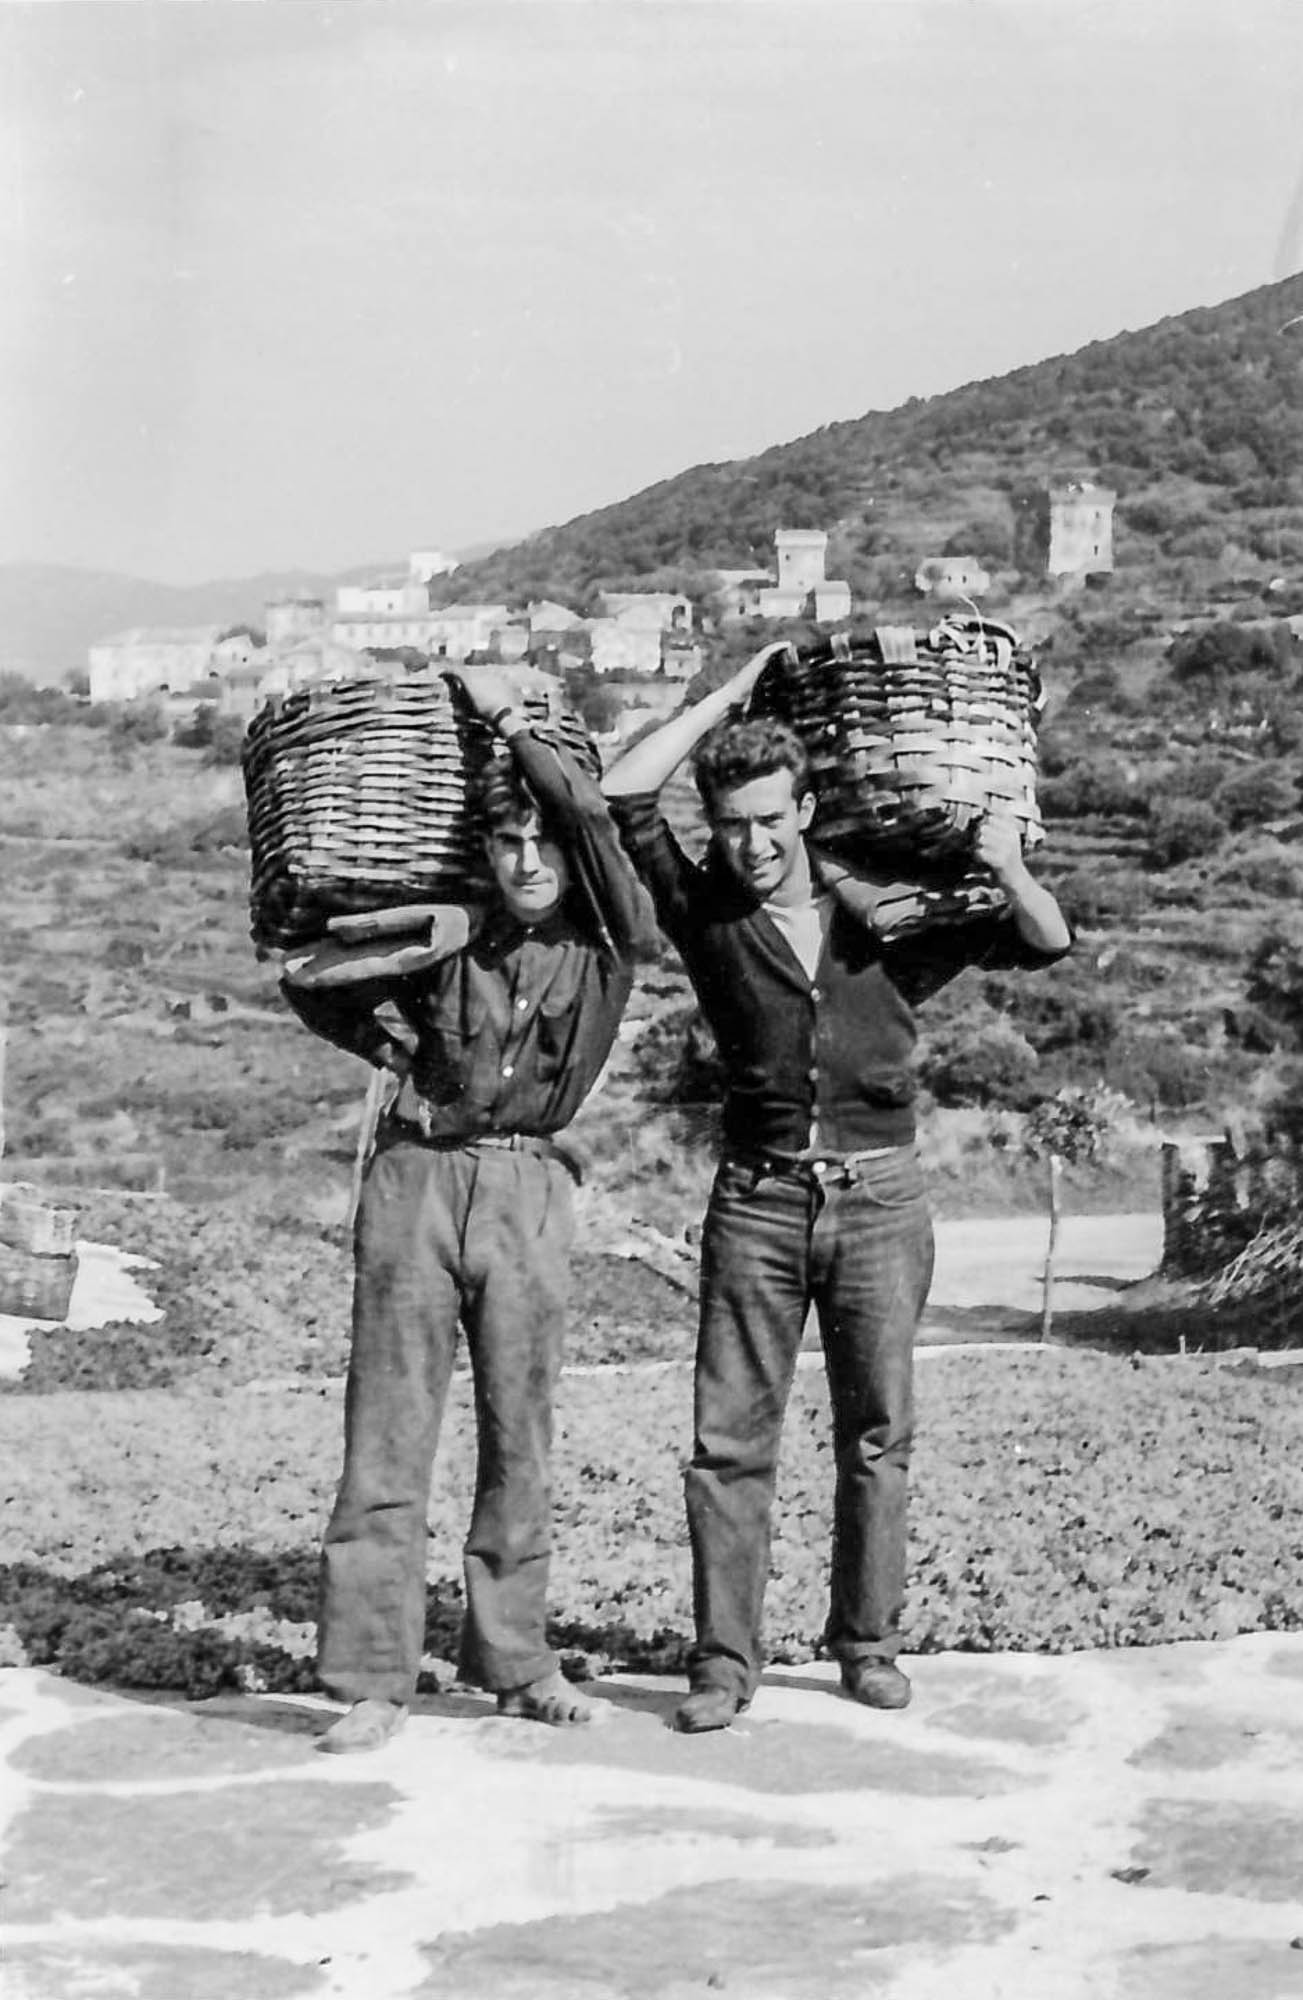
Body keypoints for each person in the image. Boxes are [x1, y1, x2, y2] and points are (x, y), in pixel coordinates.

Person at [603, 640, 1072, 1733]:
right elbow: (625, 793)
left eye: (770, 818)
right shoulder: (706, 913)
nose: (752, 842)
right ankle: (723, 1664)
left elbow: (1045, 940)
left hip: (881, 1199)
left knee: (877, 1433)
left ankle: (867, 1645)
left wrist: (1007, 866)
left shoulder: (890, 920)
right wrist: (726, 697)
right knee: (729, 1443)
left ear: (807, 809)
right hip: (756, 1202)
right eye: (731, 823)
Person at [281, 666, 650, 1752]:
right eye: (505, 842)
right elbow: (307, 974)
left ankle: (517, 1661)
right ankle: (372, 1680)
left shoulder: (608, 941)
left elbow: (593, 818)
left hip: (528, 1186)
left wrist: (507, 723)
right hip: (415, 1178)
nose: (527, 861)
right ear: (481, 850)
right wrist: (392, 1039)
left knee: (519, 1433)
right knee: (386, 1432)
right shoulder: (451, 933)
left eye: (541, 842)